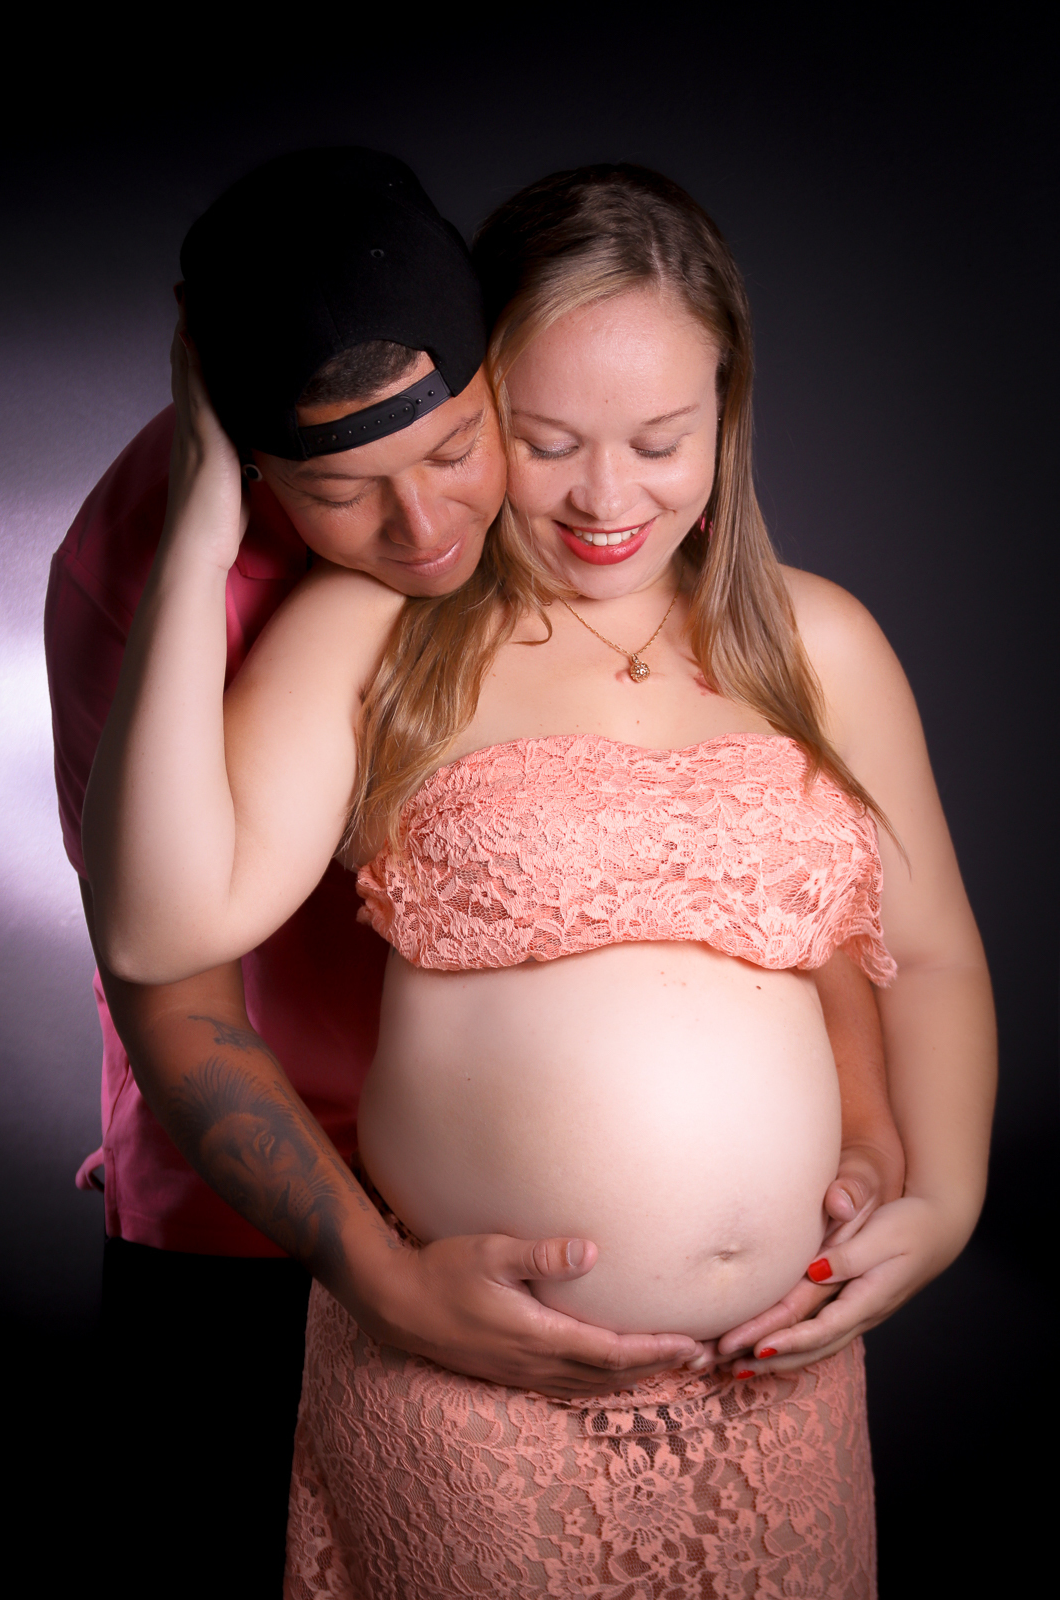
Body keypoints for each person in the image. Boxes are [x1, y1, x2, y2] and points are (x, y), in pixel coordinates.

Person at [79, 161, 967, 1595]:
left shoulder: (820, 642)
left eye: (659, 439)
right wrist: (202, 517)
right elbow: (161, 934)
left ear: (727, 414)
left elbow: (904, 952)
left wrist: (939, 1191)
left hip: (777, 1393)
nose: (604, 493)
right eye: (547, 442)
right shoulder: (372, 629)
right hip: (455, 1371)